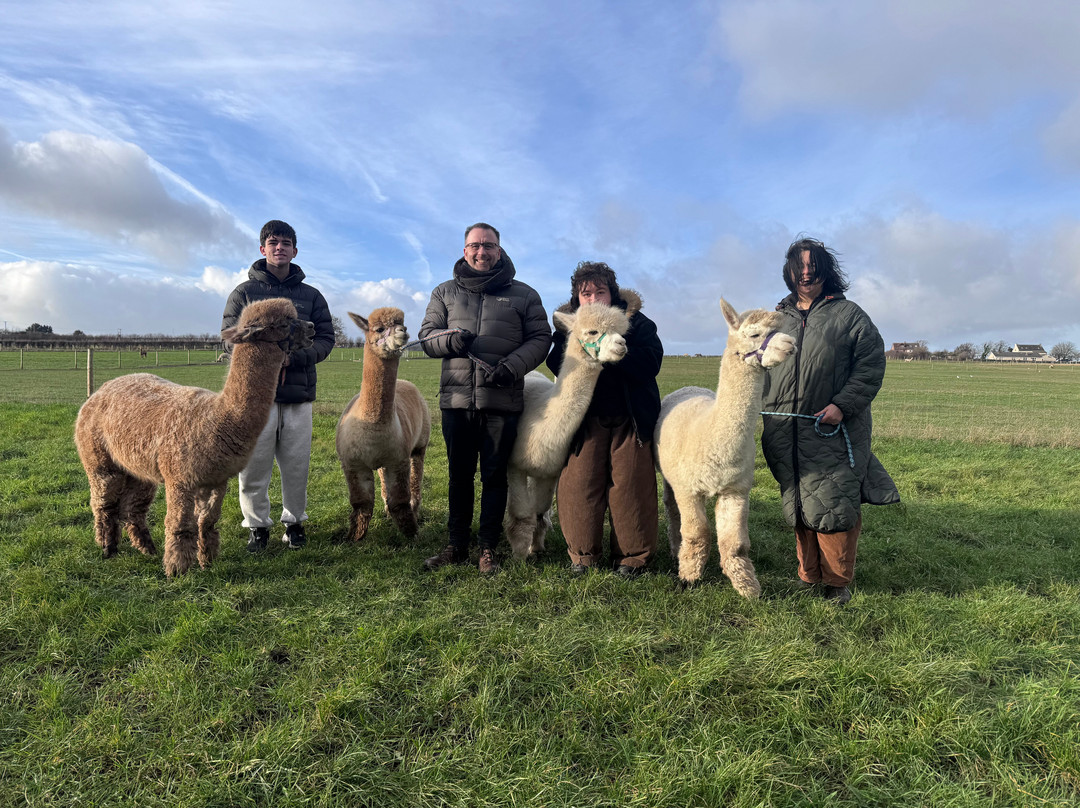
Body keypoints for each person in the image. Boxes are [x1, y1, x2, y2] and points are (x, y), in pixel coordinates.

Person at [761, 237, 899, 603]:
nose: (806, 272)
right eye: (799, 266)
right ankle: (808, 577)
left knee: (834, 503)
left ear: (825, 270)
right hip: (783, 429)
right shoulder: (776, 319)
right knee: (799, 503)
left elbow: (870, 366)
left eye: (813, 265)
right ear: (790, 271)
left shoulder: (849, 315)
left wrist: (842, 404)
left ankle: (837, 583)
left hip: (832, 429)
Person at [419, 223, 551, 574]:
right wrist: (451, 342)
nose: (481, 251)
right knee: (459, 476)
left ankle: (487, 548)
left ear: (499, 250)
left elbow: (540, 338)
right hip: (458, 402)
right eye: (475, 245)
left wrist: (513, 366)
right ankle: (456, 544)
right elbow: (428, 336)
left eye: (488, 245)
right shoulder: (444, 293)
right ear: (465, 250)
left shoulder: (524, 295)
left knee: (494, 477)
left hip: (501, 401)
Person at [221, 220, 335, 553]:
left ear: (295, 250)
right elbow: (231, 339)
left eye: (286, 243)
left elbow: (326, 339)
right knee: (254, 464)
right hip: (256, 398)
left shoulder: (311, 296)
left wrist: (296, 358)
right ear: (262, 249)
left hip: (297, 394)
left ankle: (294, 522)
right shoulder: (244, 294)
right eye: (273, 242)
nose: (279, 247)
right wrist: (267, 358)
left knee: (296, 464)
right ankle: (256, 526)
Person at [547, 262, 663, 576]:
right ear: (577, 298)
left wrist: (611, 353)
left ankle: (632, 558)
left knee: (631, 488)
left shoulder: (638, 323)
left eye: (601, 290)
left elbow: (651, 361)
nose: (594, 297)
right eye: (587, 293)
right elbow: (556, 361)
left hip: (630, 418)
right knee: (580, 485)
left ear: (611, 293)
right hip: (585, 420)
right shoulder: (566, 327)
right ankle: (582, 556)